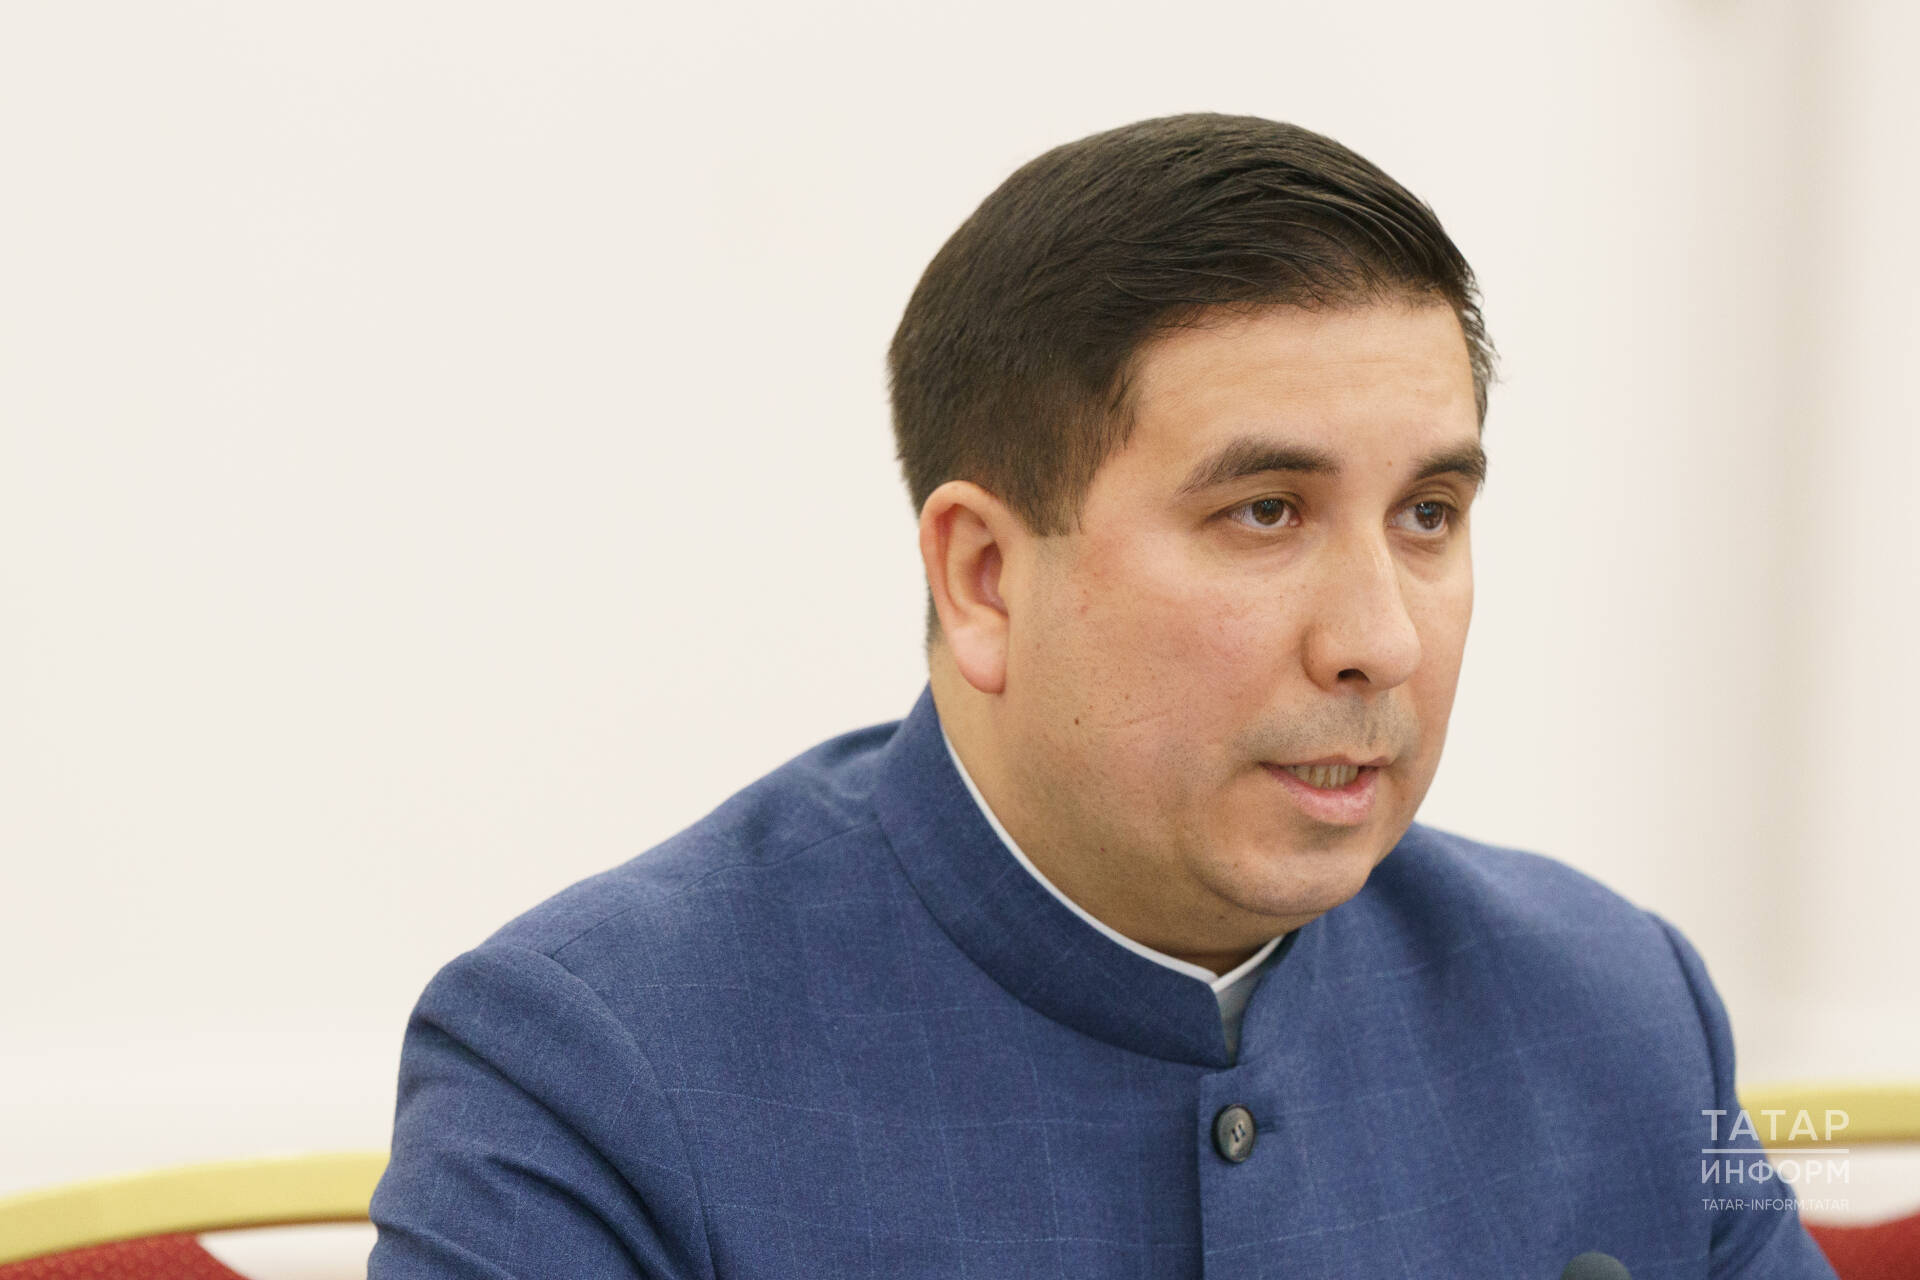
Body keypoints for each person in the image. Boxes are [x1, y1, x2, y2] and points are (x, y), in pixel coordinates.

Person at [367, 113, 1837, 1278]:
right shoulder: (594, 1067)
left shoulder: (1617, 1009)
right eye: (1265, 512)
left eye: (1429, 514)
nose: (1380, 640)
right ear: (985, 579)